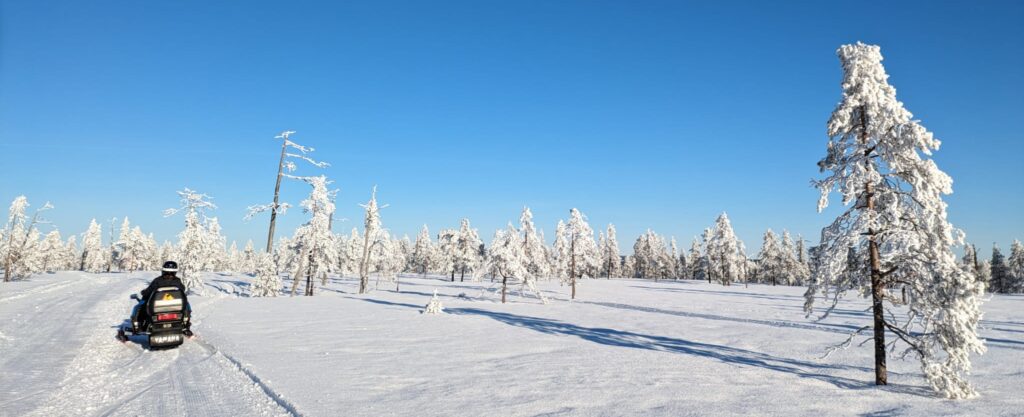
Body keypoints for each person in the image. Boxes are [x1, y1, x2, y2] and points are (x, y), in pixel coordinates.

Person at [132, 261, 193, 337]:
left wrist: (144, 293)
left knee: (141, 307)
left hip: (157, 309)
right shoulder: (177, 281)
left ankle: (138, 326)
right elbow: (182, 289)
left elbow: (148, 291)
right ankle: (186, 322)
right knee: (186, 304)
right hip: (175, 308)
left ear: (163, 270)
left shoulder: (157, 280)